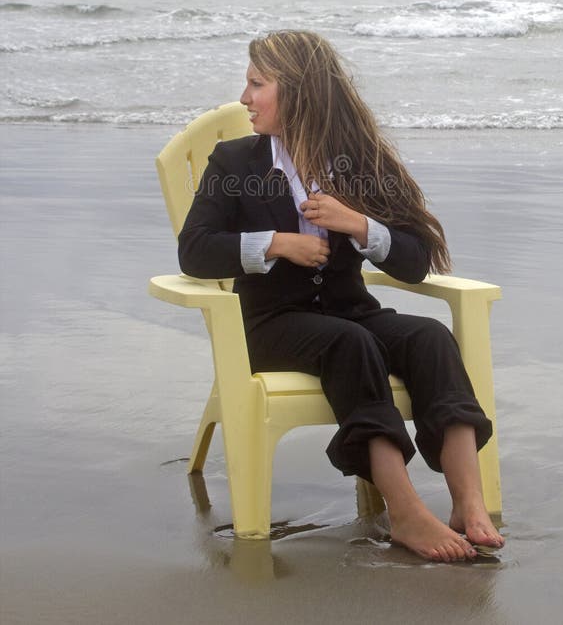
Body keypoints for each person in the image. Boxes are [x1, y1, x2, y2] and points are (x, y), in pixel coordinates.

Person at [178, 30, 505, 563]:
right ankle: (404, 512)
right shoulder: (234, 163)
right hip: (270, 325)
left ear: (300, 92)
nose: (244, 98)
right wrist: (278, 244)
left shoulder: (360, 163)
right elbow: (194, 251)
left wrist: (358, 225)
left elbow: (416, 257)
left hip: (351, 312)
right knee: (350, 343)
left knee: (429, 336)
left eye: (257, 84)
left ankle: (469, 504)